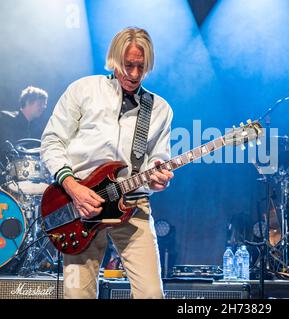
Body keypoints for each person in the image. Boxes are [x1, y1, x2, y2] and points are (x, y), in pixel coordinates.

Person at [40, 27, 174, 299]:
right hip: (81, 205)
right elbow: (52, 141)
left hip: (133, 204)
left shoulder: (160, 109)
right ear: (114, 59)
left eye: (141, 67)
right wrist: (73, 188)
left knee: (151, 294)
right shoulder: (83, 90)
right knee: (78, 295)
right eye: (128, 66)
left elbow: (160, 156)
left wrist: (160, 175)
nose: (135, 74)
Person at [0, 86, 48, 165]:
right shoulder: (5, 118)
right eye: (40, 104)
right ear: (28, 102)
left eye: (44, 104)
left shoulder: (35, 129)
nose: (43, 107)